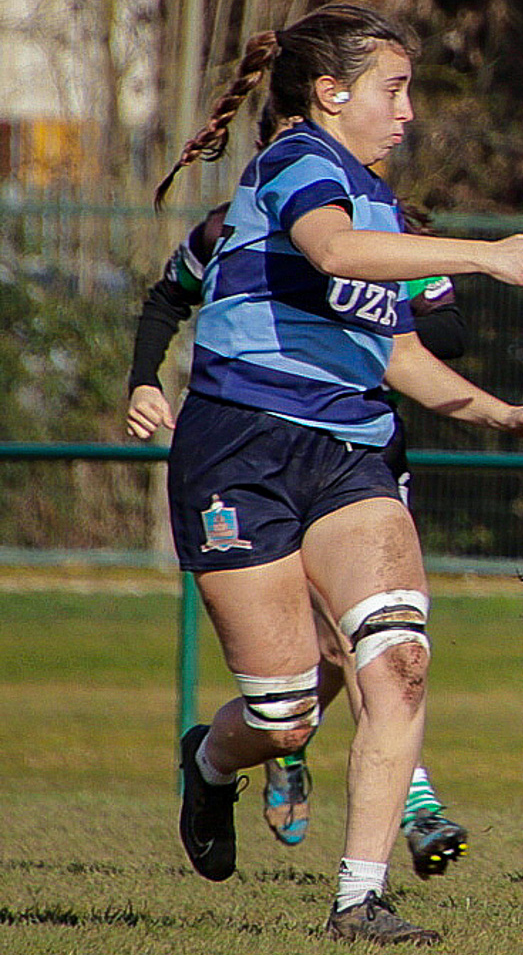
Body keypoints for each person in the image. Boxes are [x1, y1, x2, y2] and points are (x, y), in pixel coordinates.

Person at [154, 2, 523, 944]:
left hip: (350, 448)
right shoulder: (297, 161)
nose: (407, 111)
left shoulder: (381, 206)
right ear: (330, 92)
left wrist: (505, 412)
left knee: (399, 662)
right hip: (240, 446)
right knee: (284, 714)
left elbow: (396, 356)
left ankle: (360, 900)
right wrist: (488, 255)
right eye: (392, 90)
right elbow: (332, 250)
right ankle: (211, 763)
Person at [128, 195, 471, 879]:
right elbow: (167, 297)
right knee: (323, 656)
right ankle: (277, 742)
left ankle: (407, 807)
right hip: (255, 455)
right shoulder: (228, 229)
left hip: (360, 452)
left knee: (376, 640)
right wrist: (143, 381)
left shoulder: (382, 231)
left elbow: (450, 329)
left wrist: (366, 327)